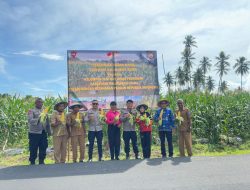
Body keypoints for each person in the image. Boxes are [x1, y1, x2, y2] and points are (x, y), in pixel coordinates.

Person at [27, 98, 51, 165]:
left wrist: (49, 132)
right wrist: (39, 118)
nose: (40, 104)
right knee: (33, 148)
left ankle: (41, 161)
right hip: (34, 133)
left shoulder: (44, 111)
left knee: (43, 146)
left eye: (41, 102)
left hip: (43, 132)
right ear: (35, 103)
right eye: (39, 102)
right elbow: (30, 120)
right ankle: (32, 161)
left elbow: (47, 122)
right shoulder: (31, 111)